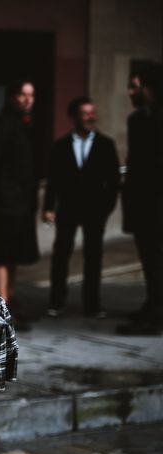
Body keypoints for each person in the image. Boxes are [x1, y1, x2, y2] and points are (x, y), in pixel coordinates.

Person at [42, 97, 120, 318]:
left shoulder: (106, 145)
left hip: (96, 211)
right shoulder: (61, 146)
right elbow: (53, 181)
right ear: (74, 116)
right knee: (61, 255)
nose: (90, 117)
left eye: (92, 113)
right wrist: (48, 207)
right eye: (85, 113)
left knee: (93, 256)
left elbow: (114, 181)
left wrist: (107, 207)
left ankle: (92, 304)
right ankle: (56, 301)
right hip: (67, 209)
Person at [0, 79, 39, 328]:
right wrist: (1, 197)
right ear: (11, 97)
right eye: (22, 94)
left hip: (21, 205)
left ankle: (10, 300)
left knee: (13, 255)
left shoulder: (23, 124)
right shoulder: (3, 124)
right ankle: (2, 308)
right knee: (2, 255)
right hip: (5, 205)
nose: (28, 100)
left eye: (31, 95)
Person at [118, 64, 163, 335]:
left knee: (157, 259)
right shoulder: (137, 119)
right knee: (148, 258)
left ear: (149, 88)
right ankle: (152, 304)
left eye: (135, 86)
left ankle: (156, 314)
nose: (130, 91)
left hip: (157, 204)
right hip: (141, 203)